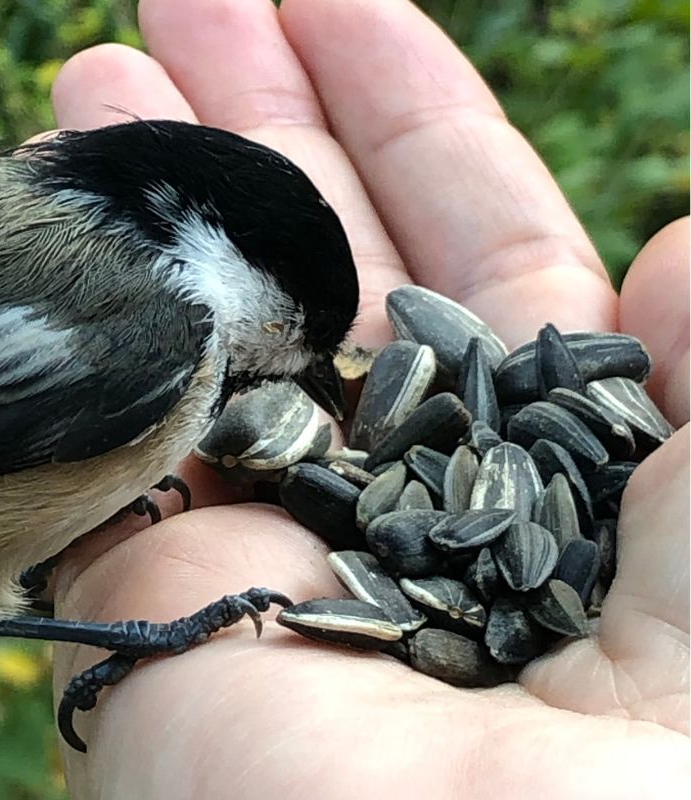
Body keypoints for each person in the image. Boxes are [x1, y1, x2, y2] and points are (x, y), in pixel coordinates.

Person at [45, 0, 690, 795]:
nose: (311, 373)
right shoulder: (146, 320)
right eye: (295, 327)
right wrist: (144, 634)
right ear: (221, 256)